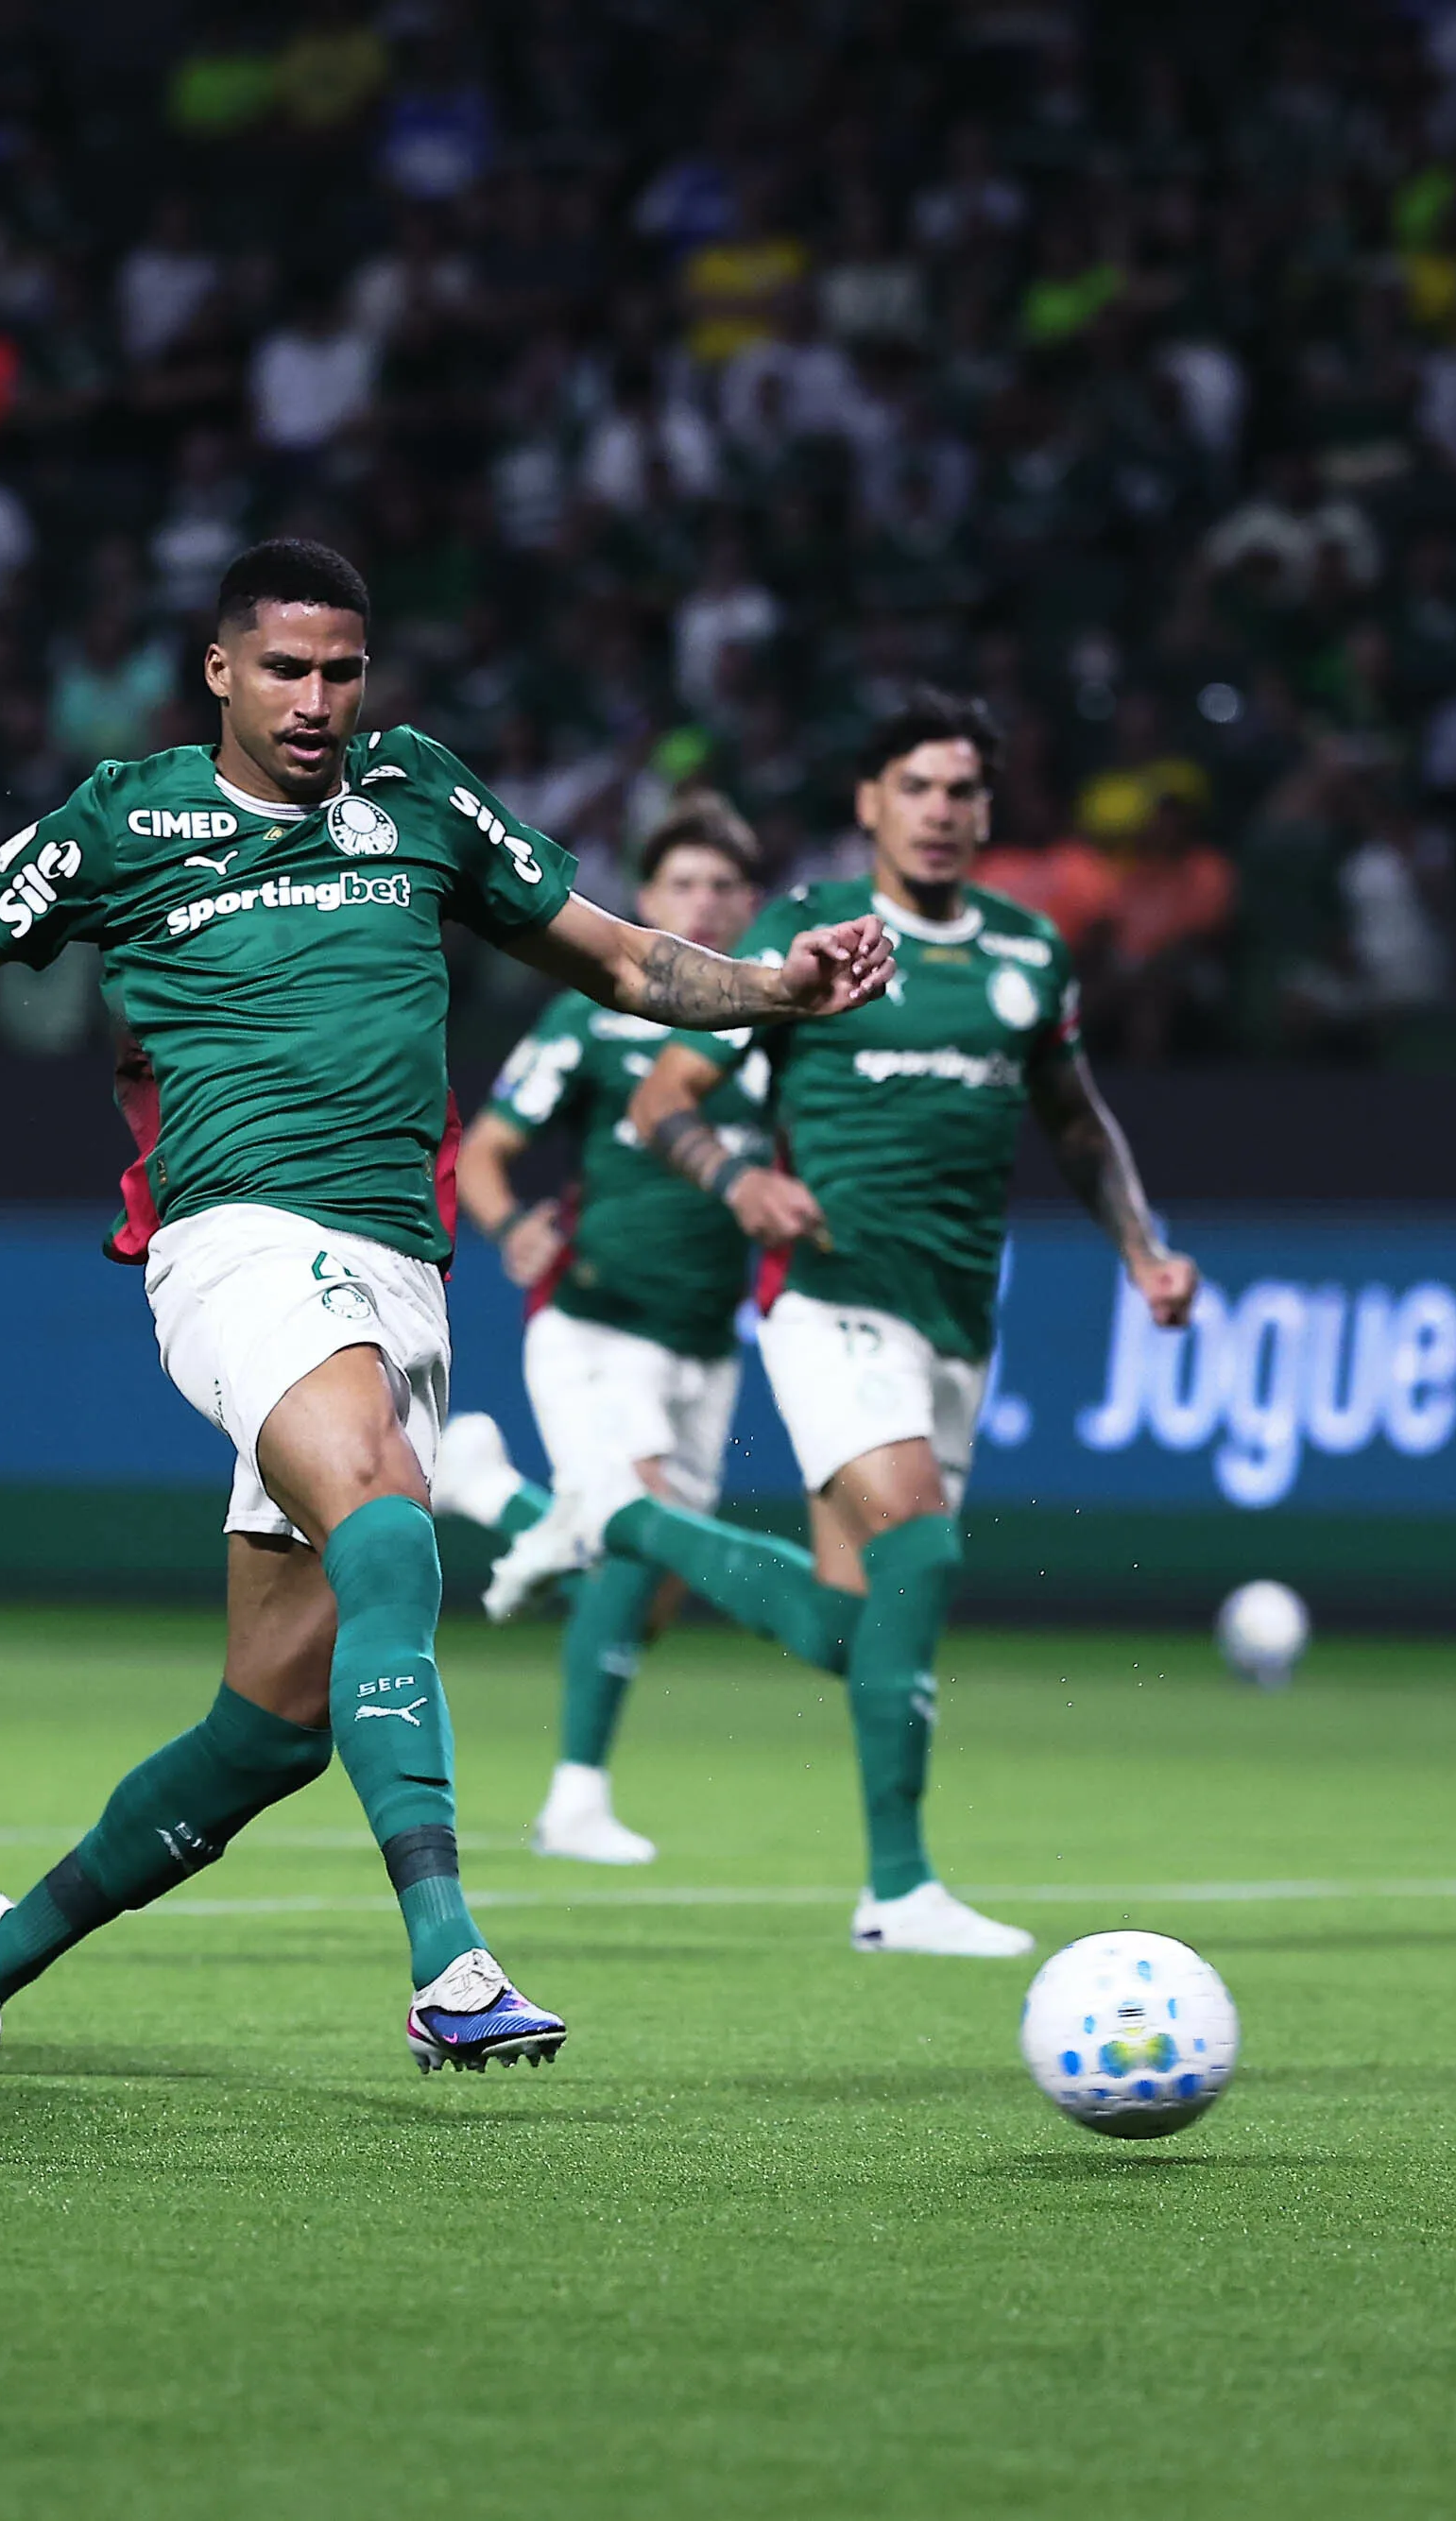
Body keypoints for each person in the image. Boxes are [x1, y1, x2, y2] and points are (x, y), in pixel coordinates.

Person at [0, 540, 893, 2074]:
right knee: (397, 1524)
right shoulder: (126, 820)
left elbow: (617, 954)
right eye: (285, 667)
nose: (317, 699)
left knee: (271, 1726)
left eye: (343, 670)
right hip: (237, 1247)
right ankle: (450, 1960)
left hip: (397, 1275)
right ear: (220, 667)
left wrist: (778, 988)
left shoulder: (417, 795)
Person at [493, 692, 1199, 1959]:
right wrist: (739, 1180)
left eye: (964, 791)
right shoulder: (810, 933)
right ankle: (899, 1887)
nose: (941, 812)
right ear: (870, 802)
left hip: (952, 1324)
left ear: (988, 810)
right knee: (921, 1553)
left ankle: (619, 1515)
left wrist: (1144, 1251)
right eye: (916, 787)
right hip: (827, 1299)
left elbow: (1078, 1122)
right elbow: (664, 1095)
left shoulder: (1029, 955)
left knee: (849, 1626)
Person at [437, 790, 774, 1865]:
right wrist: (510, 1227)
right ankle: (573, 1799)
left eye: (724, 887)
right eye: (683, 885)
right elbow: (484, 1151)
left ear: (753, 902)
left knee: (653, 1590)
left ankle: (493, 1494)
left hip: (705, 1345)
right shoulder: (593, 1015)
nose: (705, 904)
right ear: (647, 898)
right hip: (595, 1324)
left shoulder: (779, 1021)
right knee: (642, 1535)